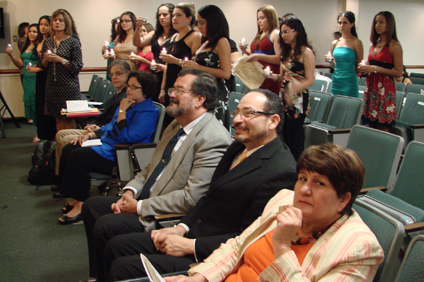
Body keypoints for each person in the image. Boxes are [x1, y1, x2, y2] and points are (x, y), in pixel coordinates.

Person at [106, 89, 298, 281]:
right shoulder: (239, 146)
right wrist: (180, 228)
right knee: (117, 245)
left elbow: (248, 237)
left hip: (214, 256)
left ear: (273, 121)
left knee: (123, 268)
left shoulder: (281, 171)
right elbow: (208, 197)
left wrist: (190, 246)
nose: (237, 120)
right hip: (192, 233)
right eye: (236, 112)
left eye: (249, 113)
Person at [81, 68, 232, 282]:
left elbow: (191, 199)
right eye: (173, 88)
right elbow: (150, 167)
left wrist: (139, 207)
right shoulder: (176, 124)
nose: (171, 94)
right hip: (145, 198)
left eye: (180, 90)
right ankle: (98, 275)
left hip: (163, 215)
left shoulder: (213, 139)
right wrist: (130, 191)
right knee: (92, 206)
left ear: (200, 99)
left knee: (107, 226)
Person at [164, 144, 384, 282]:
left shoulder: (359, 248)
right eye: (303, 179)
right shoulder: (285, 200)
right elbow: (237, 245)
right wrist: (200, 277)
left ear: (343, 199)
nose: (304, 189)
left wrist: (282, 246)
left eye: (319, 183)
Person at [58, 70, 159, 225]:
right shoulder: (128, 103)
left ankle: (81, 203)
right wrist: (90, 136)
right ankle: (73, 197)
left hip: (121, 155)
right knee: (69, 149)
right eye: (128, 86)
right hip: (108, 146)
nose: (129, 90)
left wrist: (123, 111)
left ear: (146, 90)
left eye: (134, 87)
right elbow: (109, 127)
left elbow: (126, 137)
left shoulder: (148, 111)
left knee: (77, 157)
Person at [53, 60, 131, 179]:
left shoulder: (126, 97)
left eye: (119, 73)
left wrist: (97, 128)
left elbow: (115, 123)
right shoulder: (115, 95)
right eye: (112, 74)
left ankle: (65, 180)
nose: (115, 77)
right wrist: (92, 124)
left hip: (103, 133)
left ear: (128, 74)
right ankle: (59, 175)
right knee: (60, 134)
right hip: (98, 128)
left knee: (67, 140)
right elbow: (102, 116)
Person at [269, 18, 315, 161]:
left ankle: (297, 168)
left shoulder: (306, 52)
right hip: (284, 94)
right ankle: (286, 164)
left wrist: (294, 90)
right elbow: (282, 77)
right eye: (282, 32)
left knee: (295, 136)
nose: (283, 35)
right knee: (284, 134)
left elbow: (310, 79)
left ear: (297, 32)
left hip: (298, 97)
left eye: (287, 32)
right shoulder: (286, 51)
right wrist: (271, 76)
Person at [182, 5, 231, 128]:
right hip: (201, 89)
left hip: (214, 92)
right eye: (198, 23)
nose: (199, 26)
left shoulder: (222, 41)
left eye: (202, 23)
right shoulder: (206, 42)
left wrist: (198, 68)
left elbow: (226, 73)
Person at [159, 2, 202, 127]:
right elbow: (167, 66)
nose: (174, 19)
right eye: (173, 16)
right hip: (170, 82)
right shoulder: (173, 37)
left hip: (184, 83)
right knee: (168, 121)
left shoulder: (195, 36)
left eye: (178, 15)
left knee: (180, 120)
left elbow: (195, 66)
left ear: (189, 18)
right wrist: (162, 89)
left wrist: (177, 61)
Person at [359, 11, 403, 132]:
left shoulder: (394, 45)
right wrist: (365, 66)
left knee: (383, 125)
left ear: (389, 24)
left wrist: (376, 69)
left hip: (384, 88)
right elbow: (371, 64)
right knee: (371, 123)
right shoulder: (374, 44)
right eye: (376, 22)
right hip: (372, 85)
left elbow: (398, 72)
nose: (377, 25)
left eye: (381, 22)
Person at [40, 9, 83, 131]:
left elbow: (77, 66)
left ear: (66, 23)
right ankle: (60, 146)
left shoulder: (73, 42)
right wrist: (46, 59)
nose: (57, 23)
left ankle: (70, 146)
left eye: (60, 20)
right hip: (52, 85)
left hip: (68, 85)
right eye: (55, 20)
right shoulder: (48, 41)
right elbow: (42, 65)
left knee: (69, 118)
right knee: (57, 118)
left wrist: (60, 59)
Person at [133, 3, 177, 102]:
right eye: (159, 15)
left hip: (169, 73)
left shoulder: (176, 35)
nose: (162, 17)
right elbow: (137, 42)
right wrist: (137, 28)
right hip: (154, 73)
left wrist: (165, 68)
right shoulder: (155, 34)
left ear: (172, 15)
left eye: (165, 15)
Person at [239, 5, 281, 95]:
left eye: (262, 18)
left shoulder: (275, 34)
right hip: (256, 77)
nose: (259, 21)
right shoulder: (258, 35)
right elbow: (250, 55)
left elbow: (279, 58)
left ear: (270, 18)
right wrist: (244, 50)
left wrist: (259, 56)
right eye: (258, 19)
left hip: (269, 77)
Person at [27, 16, 57, 142]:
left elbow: (49, 64)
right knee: (39, 104)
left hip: (47, 75)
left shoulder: (51, 40)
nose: (43, 27)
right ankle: (41, 132)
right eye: (41, 24)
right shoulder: (39, 40)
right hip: (39, 76)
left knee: (46, 105)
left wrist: (37, 69)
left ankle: (49, 134)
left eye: (46, 24)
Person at [6, 23, 39, 135]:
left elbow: (43, 63)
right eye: (30, 31)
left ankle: (39, 132)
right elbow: (20, 64)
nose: (31, 34)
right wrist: (11, 56)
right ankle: (37, 130)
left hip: (36, 77)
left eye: (34, 31)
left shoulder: (39, 46)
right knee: (30, 103)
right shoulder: (26, 45)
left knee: (36, 104)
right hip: (26, 78)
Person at [325, 11, 363, 97]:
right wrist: (330, 60)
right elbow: (335, 65)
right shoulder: (335, 42)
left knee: (349, 106)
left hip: (349, 81)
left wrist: (350, 71)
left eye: (345, 22)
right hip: (336, 80)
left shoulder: (356, 42)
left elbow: (359, 67)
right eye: (340, 23)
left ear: (352, 24)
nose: (342, 25)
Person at [103, 16, 120, 81]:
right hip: (110, 63)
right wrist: (104, 50)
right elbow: (105, 50)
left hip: (119, 65)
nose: (118, 26)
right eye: (116, 24)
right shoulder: (112, 37)